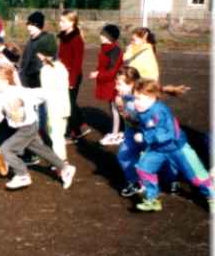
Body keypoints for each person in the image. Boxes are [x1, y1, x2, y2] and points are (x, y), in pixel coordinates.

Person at [0, 64, 77, 190]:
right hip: (21, 128)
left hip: (28, 127)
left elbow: (38, 93)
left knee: (6, 150)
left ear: (5, 80)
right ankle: (66, 168)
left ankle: (22, 175)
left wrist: (54, 91)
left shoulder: (19, 92)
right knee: (40, 149)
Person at [133, 79, 212, 212]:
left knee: (197, 177)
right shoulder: (143, 109)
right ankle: (152, 199)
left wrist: (145, 137)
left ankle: (212, 196)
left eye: (139, 98)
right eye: (135, 98)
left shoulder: (159, 111)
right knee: (143, 168)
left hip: (177, 148)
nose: (136, 102)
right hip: (158, 149)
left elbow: (168, 134)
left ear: (152, 98)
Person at [115, 66, 190, 198]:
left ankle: (172, 179)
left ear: (132, 84)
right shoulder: (122, 97)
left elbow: (152, 121)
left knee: (164, 154)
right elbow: (127, 118)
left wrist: (127, 116)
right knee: (123, 155)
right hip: (133, 132)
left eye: (119, 84)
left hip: (151, 133)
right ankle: (136, 182)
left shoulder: (143, 99)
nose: (116, 87)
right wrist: (122, 110)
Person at [19, 11, 57, 147]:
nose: (29, 27)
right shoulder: (32, 40)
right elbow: (26, 61)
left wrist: (26, 74)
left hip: (39, 85)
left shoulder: (45, 41)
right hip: (29, 84)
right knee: (34, 116)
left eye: (32, 25)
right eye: (28, 24)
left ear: (39, 26)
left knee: (40, 117)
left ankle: (47, 146)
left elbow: (44, 65)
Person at [57, 10, 91, 144]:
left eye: (63, 21)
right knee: (67, 103)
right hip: (63, 75)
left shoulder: (77, 39)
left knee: (68, 105)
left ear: (72, 22)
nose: (60, 24)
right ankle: (80, 127)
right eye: (60, 21)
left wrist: (71, 82)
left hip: (72, 76)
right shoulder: (64, 36)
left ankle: (74, 132)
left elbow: (77, 63)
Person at [89, 24, 124, 146]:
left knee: (116, 109)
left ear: (110, 37)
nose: (101, 36)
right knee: (114, 108)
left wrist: (97, 74)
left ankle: (115, 134)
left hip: (114, 84)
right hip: (109, 83)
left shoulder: (114, 50)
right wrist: (98, 72)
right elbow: (105, 66)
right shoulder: (106, 48)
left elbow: (112, 71)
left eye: (103, 34)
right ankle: (118, 132)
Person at [39, 53, 71, 163]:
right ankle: (61, 160)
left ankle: (61, 163)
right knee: (59, 135)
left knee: (55, 136)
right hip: (64, 107)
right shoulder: (61, 66)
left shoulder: (45, 70)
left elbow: (45, 92)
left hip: (53, 108)